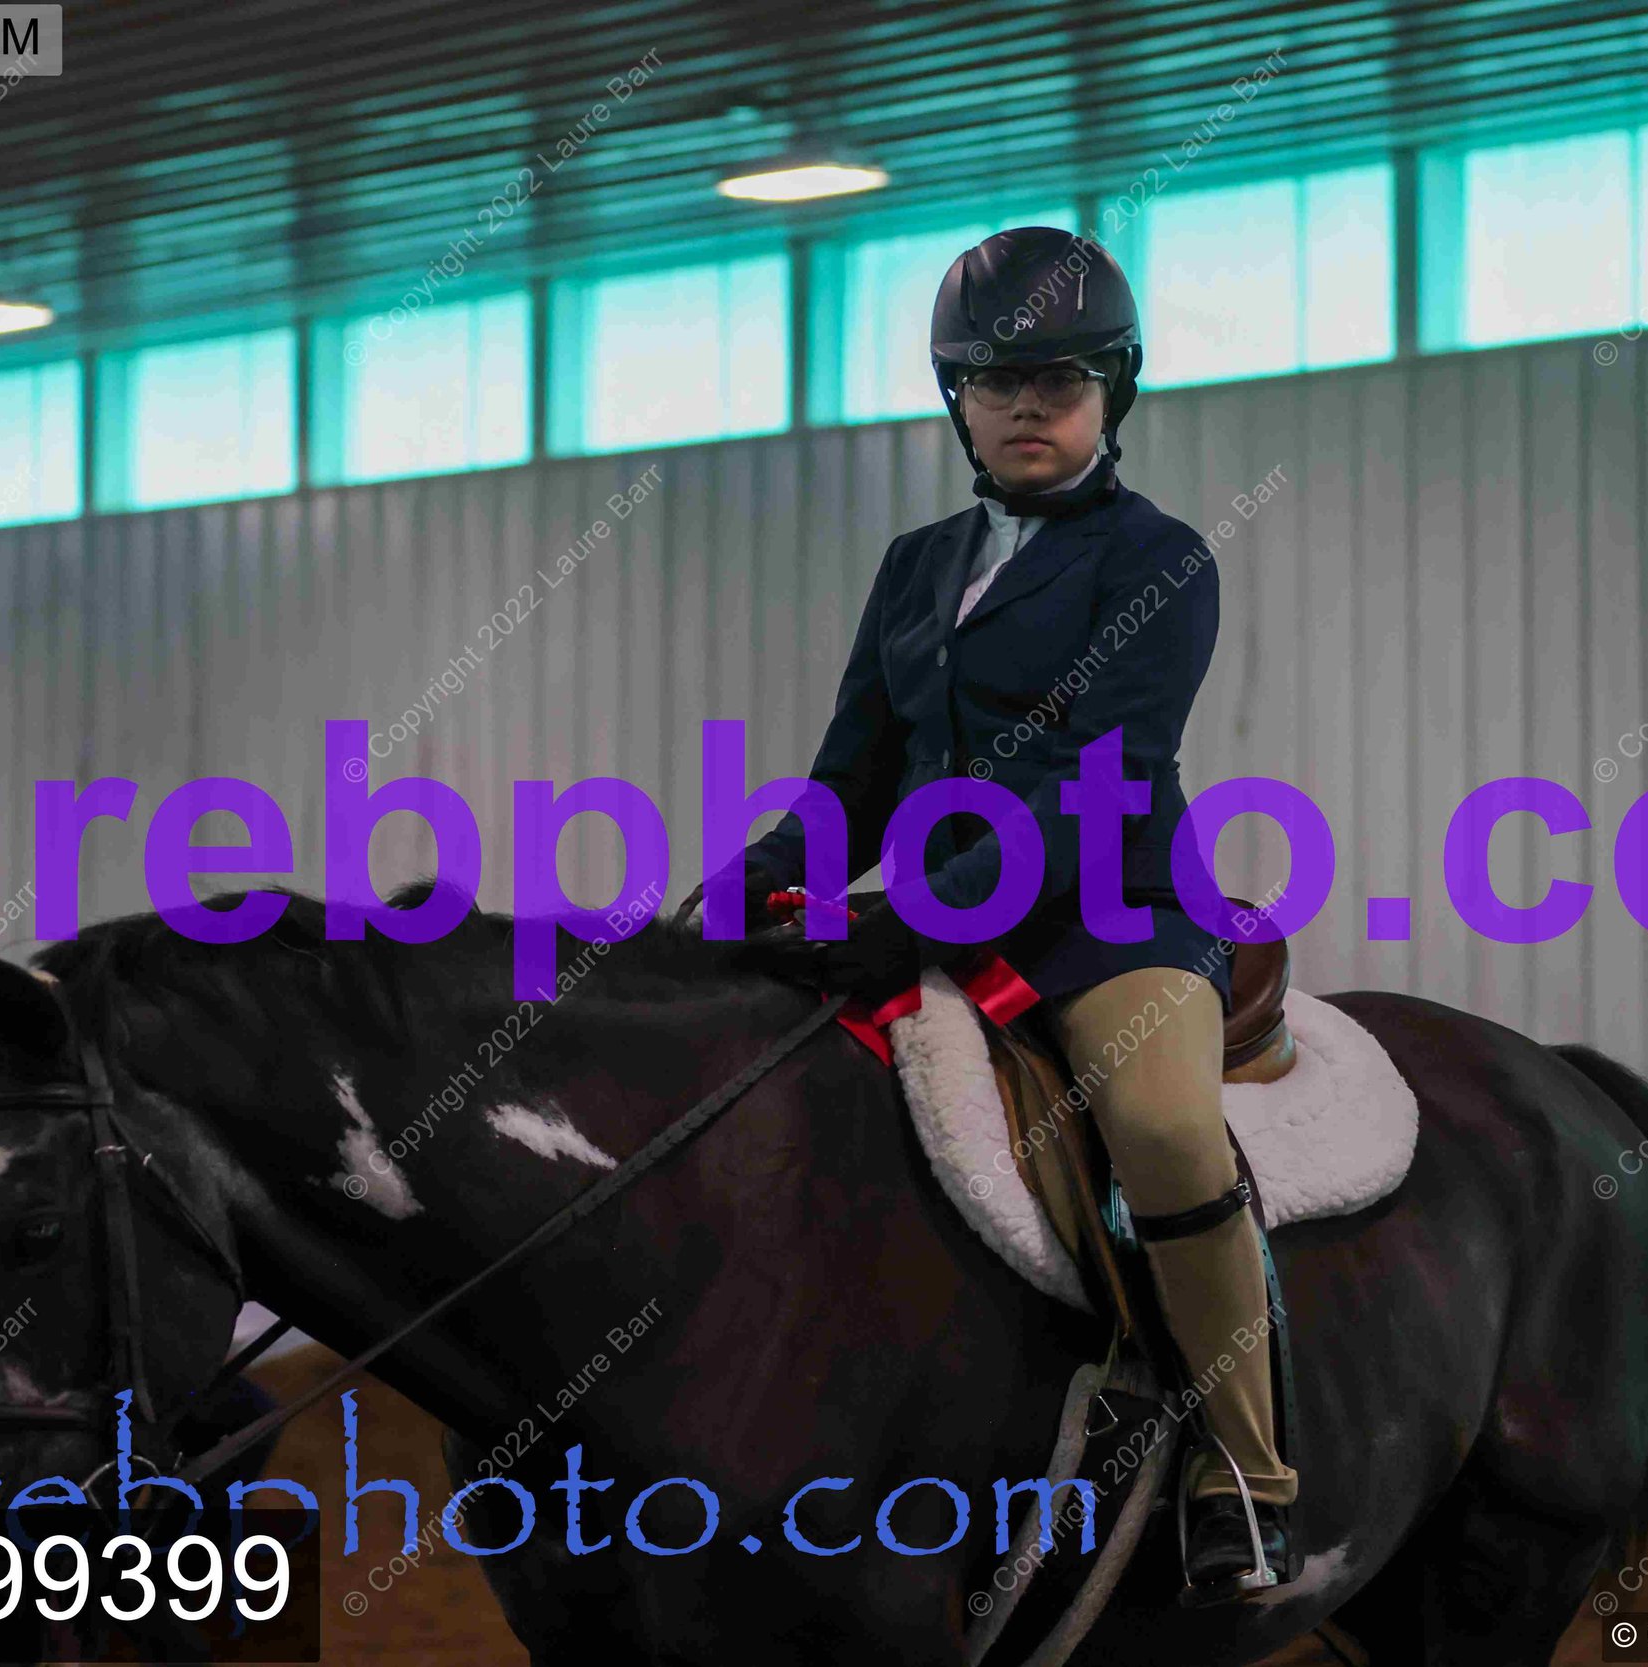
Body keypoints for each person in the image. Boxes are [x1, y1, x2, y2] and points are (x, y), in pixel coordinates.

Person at [692, 227, 1298, 1599]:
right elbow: (853, 777)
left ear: (1113, 393)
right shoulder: (914, 565)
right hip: (925, 906)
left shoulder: (1161, 558)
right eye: (996, 381)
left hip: (1111, 914)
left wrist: (908, 917)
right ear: (954, 398)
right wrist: (742, 889)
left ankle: (1245, 1475)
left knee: (1162, 1128)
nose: (1030, 406)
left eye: (1062, 382)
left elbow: (1097, 781)